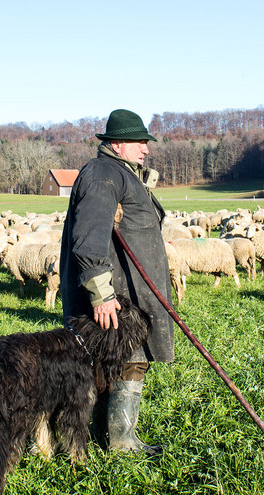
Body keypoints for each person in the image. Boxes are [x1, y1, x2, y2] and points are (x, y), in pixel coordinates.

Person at [59, 108, 175, 454]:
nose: (146, 148)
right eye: (139, 141)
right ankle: (119, 442)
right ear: (118, 143)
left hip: (131, 291)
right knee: (124, 360)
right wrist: (101, 293)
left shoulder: (122, 174)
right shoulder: (103, 174)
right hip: (117, 294)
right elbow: (89, 236)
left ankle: (105, 437)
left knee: (119, 360)